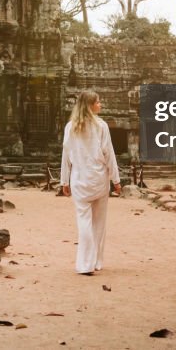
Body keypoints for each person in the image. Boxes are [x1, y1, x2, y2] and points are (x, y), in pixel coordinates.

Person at [60, 90, 121, 275]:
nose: (100, 105)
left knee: (84, 223)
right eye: (98, 102)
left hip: (79, 180)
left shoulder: (70, 127)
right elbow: (109, 154)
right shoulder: (101, 126)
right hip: (99, 179)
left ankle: (84, 264)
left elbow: (66, 156)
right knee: (99, 224)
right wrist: (116, 180)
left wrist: (64, 181)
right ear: (90, 105)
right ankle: (95, 262)